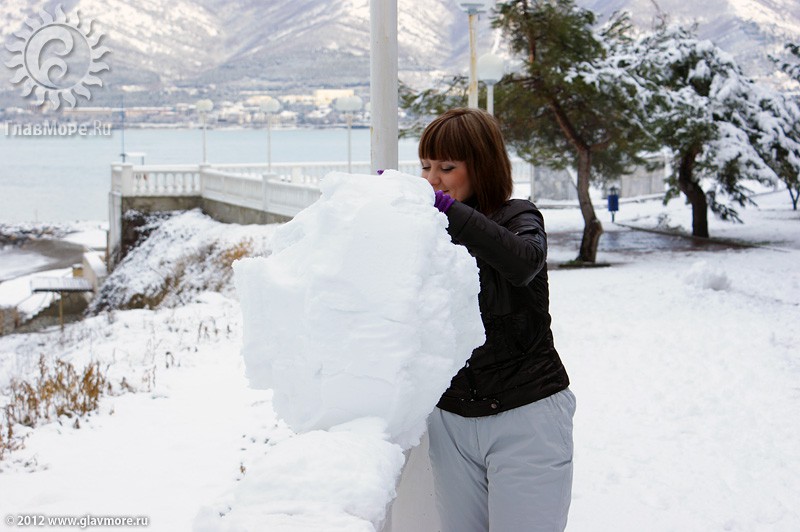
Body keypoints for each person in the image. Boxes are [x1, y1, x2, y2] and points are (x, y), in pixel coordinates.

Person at [420, 107, 575, 532]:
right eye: (426, 166)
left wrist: (450, 210)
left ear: (482, 166)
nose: (432, 178)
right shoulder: (428, 231)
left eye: (447, 167)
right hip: (452, 422)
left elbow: (523, 262)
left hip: (527, 417)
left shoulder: (519, 217)